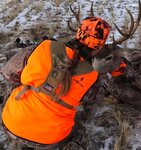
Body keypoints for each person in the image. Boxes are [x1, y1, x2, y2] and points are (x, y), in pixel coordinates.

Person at [1, 16, 111, 149]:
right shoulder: (93, 75)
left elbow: (7, 72)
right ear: (100, 46)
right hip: (50, 139)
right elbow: (93, 102)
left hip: (11, 124)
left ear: (79, 32)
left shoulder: (44, 47)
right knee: (80, 132)